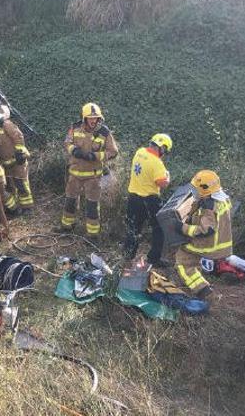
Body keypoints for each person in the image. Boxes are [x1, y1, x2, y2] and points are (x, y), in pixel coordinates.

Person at [59, 103, 119, 239]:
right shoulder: (74, 128)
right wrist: (73, 150)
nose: (93, 121)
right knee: (70, 201)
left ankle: (92, 235)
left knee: (92, 205)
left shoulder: (104, 132)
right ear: (84, 118)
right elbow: (67, 142)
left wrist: (96, 156)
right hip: (74, 174)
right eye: (90, 118)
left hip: (93, 177)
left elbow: (113, 151)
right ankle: (67, 227)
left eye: (96, 118)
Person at [174, 170, 233, 298]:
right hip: (220, 243)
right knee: (192, 261)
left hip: (210, 245)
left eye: (197, 188)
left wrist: (183, 228)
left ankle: (203, 291)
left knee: (182, 262)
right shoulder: (222, 198)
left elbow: (205, 229)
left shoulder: (209, 206)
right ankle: (201, 285)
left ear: (205, 189)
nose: (195, 191)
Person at [123, 133, 173, 264]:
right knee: (158, 228)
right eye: (165, 150)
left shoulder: (139, 152)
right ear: (162, 148)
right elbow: (162, 183)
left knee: (133, 228)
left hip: (133, 198)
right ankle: (154, 258)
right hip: (150, 200)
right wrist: (167, 176)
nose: (164, 153)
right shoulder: (157, 163)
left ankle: (127, 255)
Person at [0, 106, 34, 215]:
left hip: (18, 160)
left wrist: (19, 152)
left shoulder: (5, 124)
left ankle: (28, 208)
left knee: (21, 184)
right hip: (7, 164)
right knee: (12, 186)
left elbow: (18, 136)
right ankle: (17, 208)